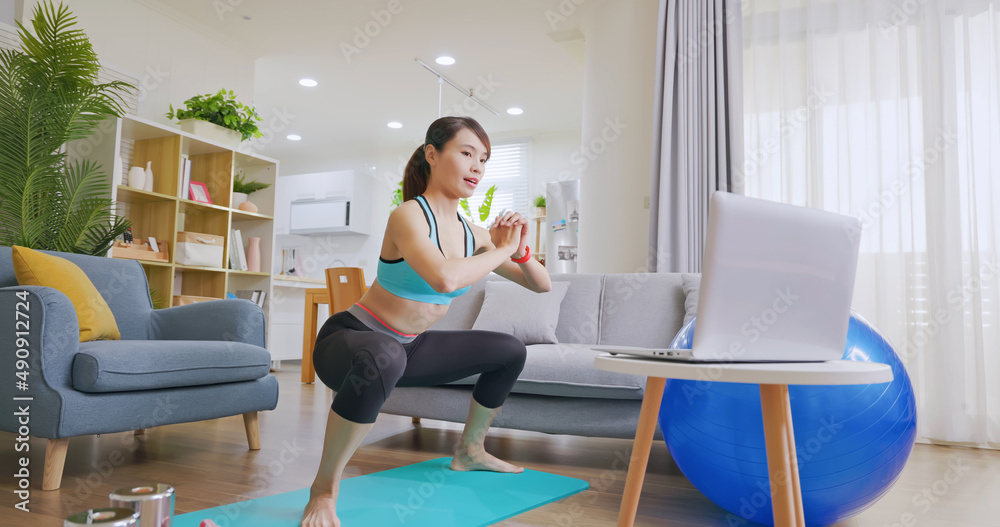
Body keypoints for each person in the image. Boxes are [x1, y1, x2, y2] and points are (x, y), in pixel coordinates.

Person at [301, 116, 552, 527]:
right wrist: (500, 247)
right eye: (467, 153)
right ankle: (324, 489)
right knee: (383, 355)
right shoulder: (408, 216)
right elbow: (445, 277)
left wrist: (519, 250)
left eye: (484, 159)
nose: (477, 166)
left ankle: (470, 451)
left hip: (407, 346)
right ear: (433, 155)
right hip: (351, 340)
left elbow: (540, 285)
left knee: (509, 350)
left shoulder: (474, 233)